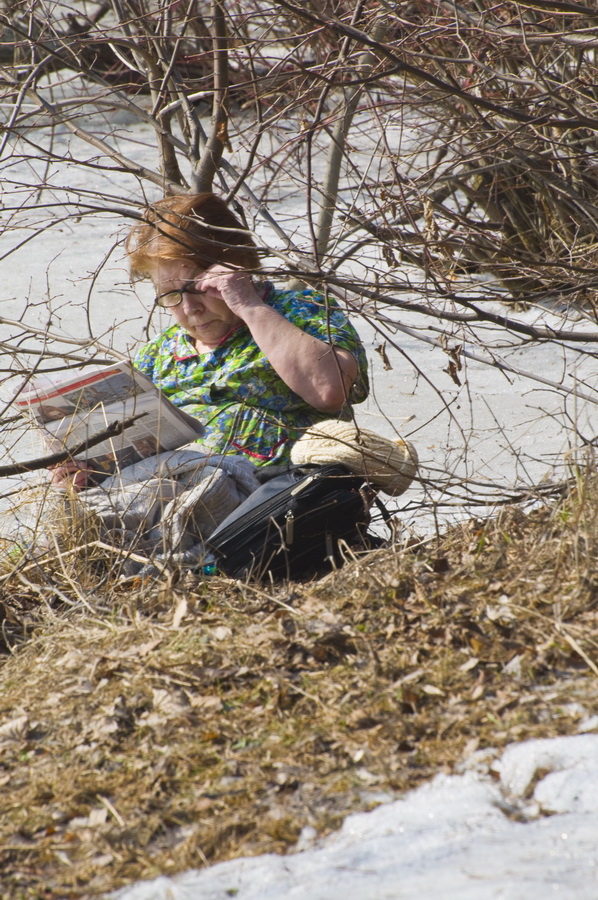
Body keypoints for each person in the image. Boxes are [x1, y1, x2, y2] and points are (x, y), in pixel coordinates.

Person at [52, 192, 368, 487]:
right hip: (174, 502)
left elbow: (329, 391)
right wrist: (88, 469)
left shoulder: (302, 312)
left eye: (199, 288)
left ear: (238, 267)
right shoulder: (159, 355)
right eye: (171, 295)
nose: (191, 309)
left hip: (279, 501)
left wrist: (247, 304)